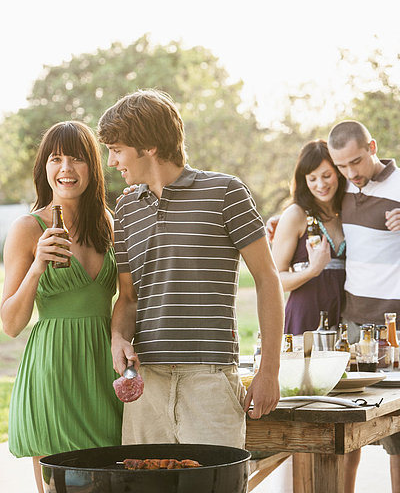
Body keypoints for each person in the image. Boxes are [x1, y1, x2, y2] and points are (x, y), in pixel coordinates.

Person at [97, 89, 284, 449]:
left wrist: (269, 371)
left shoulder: (225, 192)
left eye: (117, 149)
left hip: (210, 380)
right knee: (144, 487)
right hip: (147, 384)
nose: (111, 162)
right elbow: (129, 297)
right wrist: (118, 337)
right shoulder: (126, 211)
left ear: (148, 145)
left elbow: (267, 278)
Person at [1, 121, 122, 493]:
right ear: (45, 168)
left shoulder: (108, 224)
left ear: (92, 168)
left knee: (112, 480)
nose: (66, 168)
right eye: (56, 159)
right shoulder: (28, 228)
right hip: (53, 371)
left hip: (104, 370)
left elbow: (125, 300)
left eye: (77, 158)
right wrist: (37, 265)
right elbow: (10, 323)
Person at [327, 120, 400, 493]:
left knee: (399, 434)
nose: (350, 173)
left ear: (372, 147)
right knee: (347, 423)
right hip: (353, 323)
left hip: (395, 324)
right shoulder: (341, 187)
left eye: (356, 161)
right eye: (341, 166)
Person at [271, 140, 347, 335]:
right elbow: (275, 279)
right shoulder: (295, 215)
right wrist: (312, 270)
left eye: (326, 176)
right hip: (306, 318)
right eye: (312, 179)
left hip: (345, 318)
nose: (320, 185)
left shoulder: (348, 212)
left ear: (338, 171)